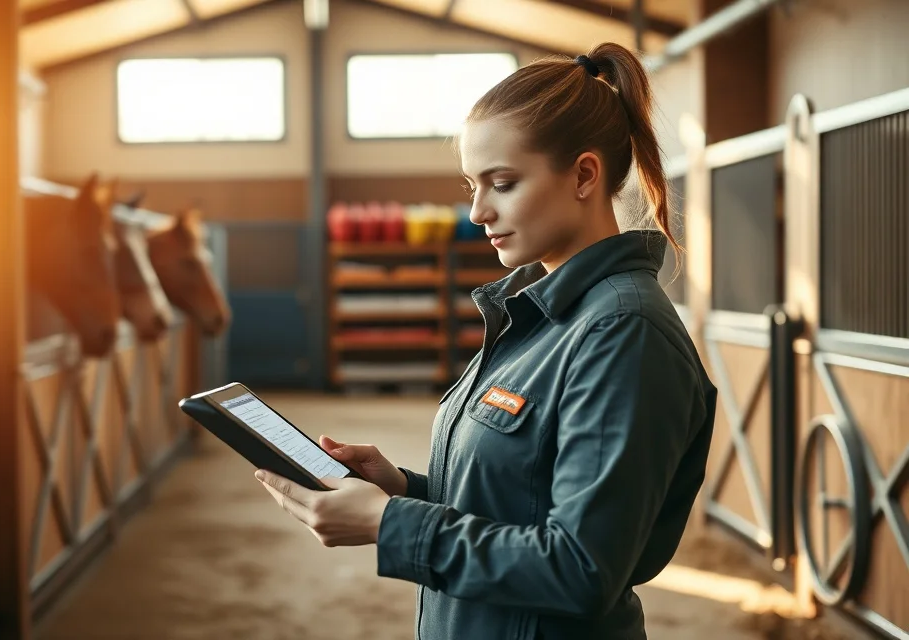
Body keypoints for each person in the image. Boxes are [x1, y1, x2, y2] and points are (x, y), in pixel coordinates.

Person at [255, 41, 718, 639]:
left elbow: (582, 568)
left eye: (502, 183)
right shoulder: (539, 315)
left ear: (583, 175)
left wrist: (390, 525)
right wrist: (401, 489)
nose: (477, 212)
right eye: (472, 184)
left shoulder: (620, 334)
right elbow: (520, 501)